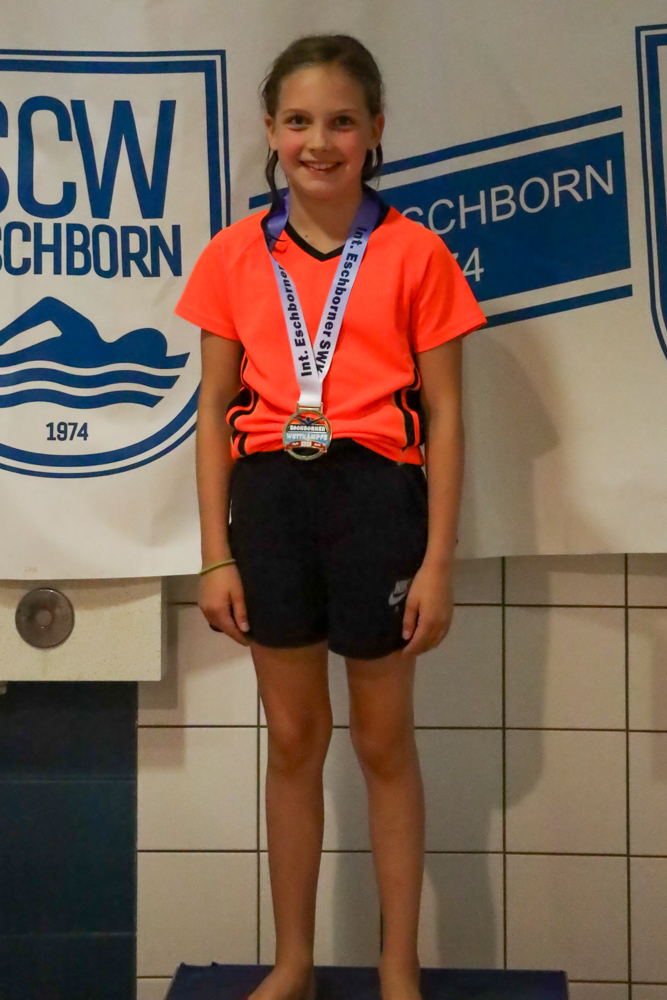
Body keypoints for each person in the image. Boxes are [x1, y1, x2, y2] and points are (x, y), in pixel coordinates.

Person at [175, 33, 486, 1000]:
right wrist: (214, 554)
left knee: (383, 742)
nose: (320, 141)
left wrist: (437, 562)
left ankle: (398, 969)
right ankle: (294, 962)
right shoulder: (233, 255)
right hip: (270, 503)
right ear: (270, 131)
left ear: (375, 130)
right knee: (293, 740)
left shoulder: (416, 253)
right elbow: (211, 412)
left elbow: (445, 415)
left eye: (342, 121)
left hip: (376, 503)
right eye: (300, 121)